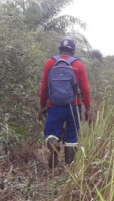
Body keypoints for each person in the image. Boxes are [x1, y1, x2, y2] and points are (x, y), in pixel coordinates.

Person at [40, 36, 94, 168]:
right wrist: (87, 108)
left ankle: (54, 144)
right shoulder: (78, 65)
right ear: (73, 51)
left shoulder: (50, 63)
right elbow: (85, 89)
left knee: (50, 133)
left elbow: (44, 87)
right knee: (71, 138)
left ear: (60, 49)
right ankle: (69, 168)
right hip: (73, 107)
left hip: (54, 106)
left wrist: (42, 106)